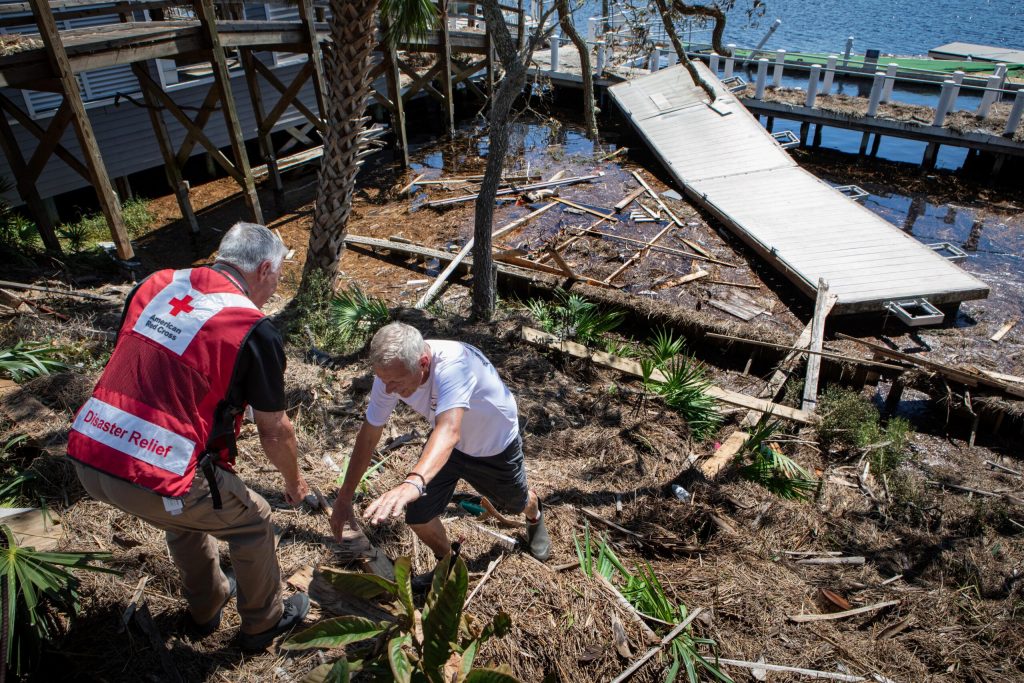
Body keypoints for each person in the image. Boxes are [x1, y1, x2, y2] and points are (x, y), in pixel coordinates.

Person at [68, 222, 310, 651]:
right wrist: (294, 483)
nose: (277, 285)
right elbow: (275, 430)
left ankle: (207, 604)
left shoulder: (157, 284)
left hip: (90, 451)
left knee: (186, 515)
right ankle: (263, 624)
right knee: (254, 523)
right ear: (265, 268)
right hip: (150, 476)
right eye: (279, 275)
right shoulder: (252, 328)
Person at [330, 322, 550, 587]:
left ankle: (533, 509)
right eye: (384, 381)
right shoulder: (391, 374)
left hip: (494, 447)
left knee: (515, 504)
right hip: (447, 448)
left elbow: (449, 430)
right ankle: (450, 564)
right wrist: (344, 498)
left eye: (395, 383)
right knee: (419, 516)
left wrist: (413, 481)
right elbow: (369, 434)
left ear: (423, 362)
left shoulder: (455, 365)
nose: (388, 390)